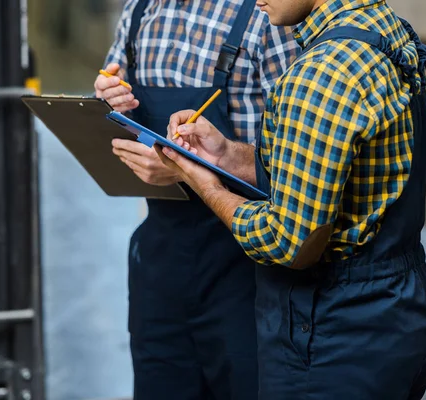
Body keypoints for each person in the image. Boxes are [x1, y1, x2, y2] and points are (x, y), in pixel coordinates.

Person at [158, 0, 426, 398]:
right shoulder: (385, 30)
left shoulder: (321, 72)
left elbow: (289, 242)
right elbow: (325, 169)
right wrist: (224, 155)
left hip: (334, 330)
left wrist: (206, 185)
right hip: (401, 310)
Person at [94, 0, 299, 398]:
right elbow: (113, 99)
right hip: (160, 262)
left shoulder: (267, 15)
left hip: (245, 265)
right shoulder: (140, 9)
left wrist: (187, 171)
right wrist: (108, 97)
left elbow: (295, 162)